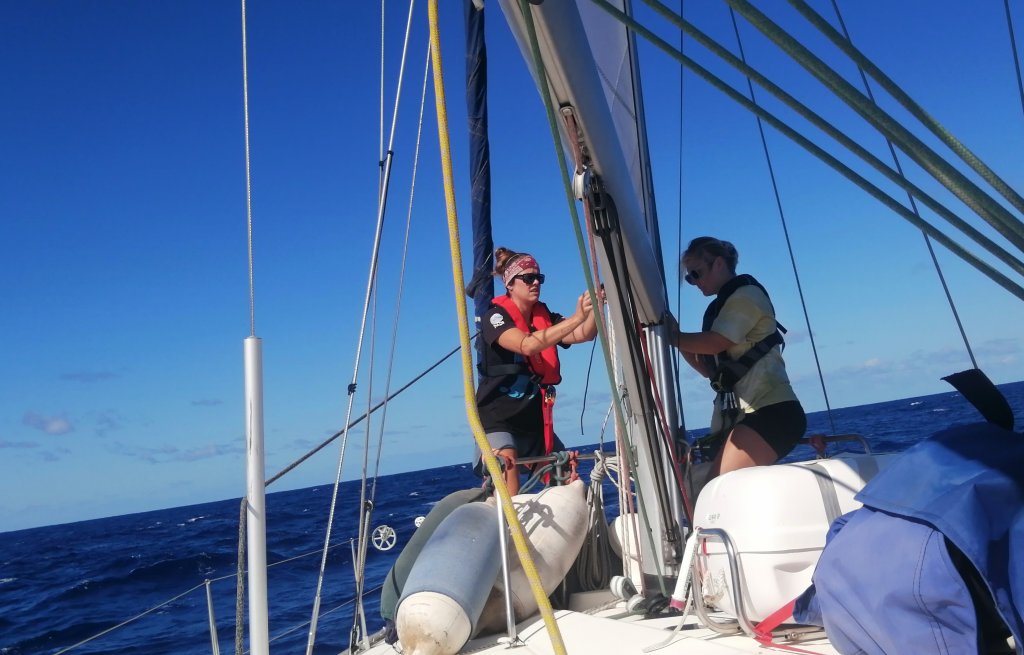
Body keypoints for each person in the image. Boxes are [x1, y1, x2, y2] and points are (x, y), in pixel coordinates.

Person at [668, 236, 806, 486]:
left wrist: (671, 337)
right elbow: (707, 369)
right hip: (747, 418)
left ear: (719, 264)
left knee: (716, 490)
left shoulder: (745, 296)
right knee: (710, 492)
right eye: (689, 278)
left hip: (772, 413)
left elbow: (716, 342)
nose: (694, 282)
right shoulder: (719, 309)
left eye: (696, 274)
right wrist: (676, 337)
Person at [474, 247, 598, 495]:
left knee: (567, 479)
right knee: (509, 484)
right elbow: (526, 345)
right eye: (528, 278)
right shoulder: (494, 318)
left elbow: (584, 333)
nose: (535, 283)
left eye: (538, 278)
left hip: (533, 421)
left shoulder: (545, 316)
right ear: (509, 284)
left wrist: (595, 306)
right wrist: (576, 318)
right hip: (498, 419)